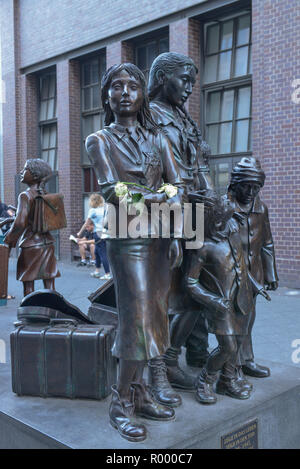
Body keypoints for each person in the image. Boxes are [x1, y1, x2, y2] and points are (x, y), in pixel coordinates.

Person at [86, 63, 184, 442]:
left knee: (157, 318)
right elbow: (113, 190)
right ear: (107, 96)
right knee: (137, 320)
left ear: (143, 95)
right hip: (127, 238)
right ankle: (119, 403)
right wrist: (160, 197)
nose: (124, 92)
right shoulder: (100, 140)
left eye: (132, 86)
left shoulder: (158, 139)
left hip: (161, 239)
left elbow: (179, 186)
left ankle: (140, 393)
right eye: (116, 86)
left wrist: (177, 232)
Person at [147, 52, 213, 403]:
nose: (189, 87)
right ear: (161, 77)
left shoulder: (183, 117)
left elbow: (199, 163)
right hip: (169, 212)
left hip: (195, 209)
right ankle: (164, 364)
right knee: (175, 293)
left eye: (192, 81)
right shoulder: (150, 115)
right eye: (184, 79)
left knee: (198, 287)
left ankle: (197, 355)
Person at [184, 195, 271, 404]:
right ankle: (205, 380)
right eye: (227, 216)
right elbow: (190, 283)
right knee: (228, 347)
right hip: (220, 306)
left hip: (242, 299)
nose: (232, 221)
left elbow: (242, 267)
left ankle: (227, 380)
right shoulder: (202, 247)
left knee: (239, 341)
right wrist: (213, 301)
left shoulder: (232, 237)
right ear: (215, 219)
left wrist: (257, 286)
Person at [224, 157, 278, 379]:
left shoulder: (261, 208)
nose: (250, 191)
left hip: (253, 275)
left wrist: (270, 274)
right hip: (228, 274)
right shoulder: (223, 205)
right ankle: (230, 367)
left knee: (248, 318)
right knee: (233, 322)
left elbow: (267, 243)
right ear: (235, 183)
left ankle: (245, 360)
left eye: (256, 187)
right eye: (246, 185)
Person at [4, 159, 60, 297]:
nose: (21, 172)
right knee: (49, 281)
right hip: (48, 244)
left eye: (25, 170)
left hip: (31, 246)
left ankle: (29, 313)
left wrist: (9, 240)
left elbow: (20, 224)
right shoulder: (46, 194)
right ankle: (52, 308)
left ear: (35, 175)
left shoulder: (25, 195)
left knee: (29, 282)